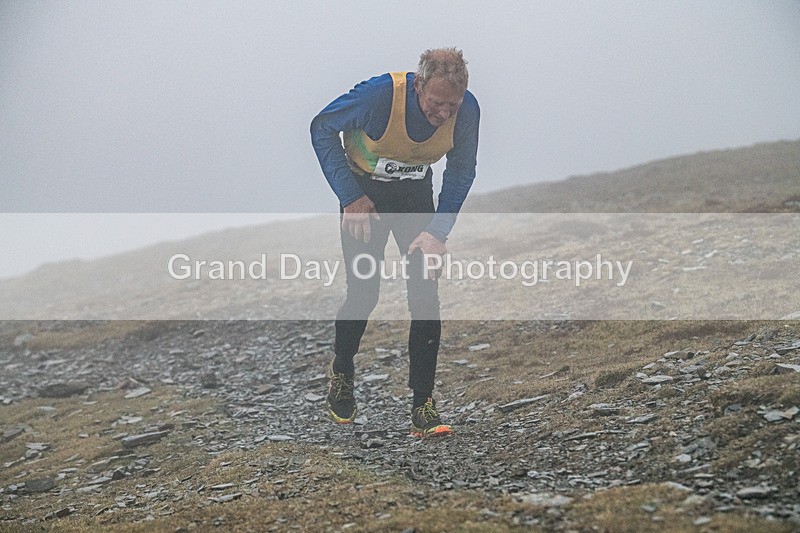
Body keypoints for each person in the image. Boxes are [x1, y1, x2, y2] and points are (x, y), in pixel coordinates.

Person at [310, 47, 479, 437]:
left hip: (414, 197)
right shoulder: (378, 96)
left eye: (451, 106)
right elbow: (322, 127)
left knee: (424, 295)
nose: (443, 114)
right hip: (363, 196)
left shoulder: (466, 110)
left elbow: (462, 170)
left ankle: (423, 404)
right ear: (418, 85)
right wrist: (349, 196)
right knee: (364, 294)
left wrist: (437, 231)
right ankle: (342, 371)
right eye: (436, 103)